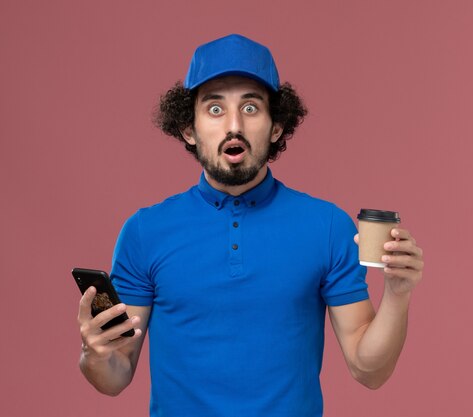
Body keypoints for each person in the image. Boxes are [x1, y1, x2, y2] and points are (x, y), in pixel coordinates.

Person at [77, 34, 424, 417]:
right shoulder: (144, 232)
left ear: (276, 126)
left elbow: (368, 369)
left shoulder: (327, 226)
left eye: (251, 107)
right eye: (214, 109)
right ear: (188, 129)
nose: (234, 125)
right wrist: (94, 353)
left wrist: (398, 292)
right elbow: (114, 376)